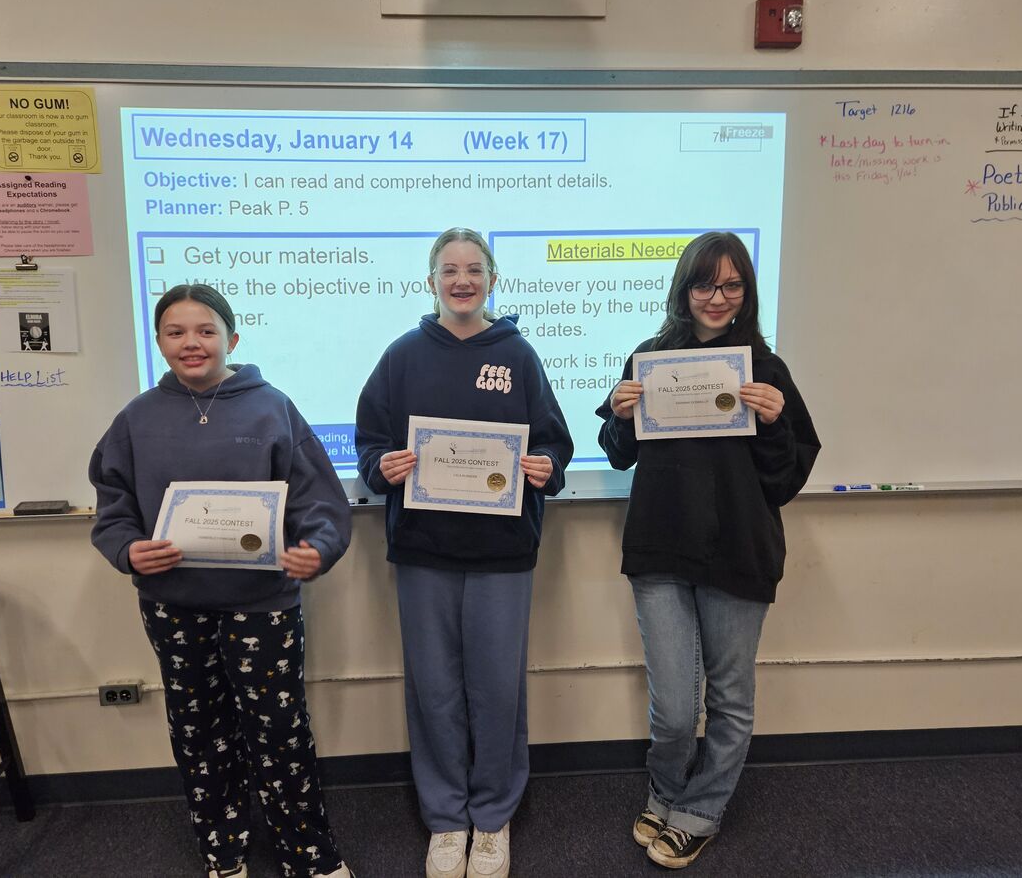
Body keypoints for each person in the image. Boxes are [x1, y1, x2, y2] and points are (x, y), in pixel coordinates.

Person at [89, 284, 355, 878]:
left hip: (262, 604)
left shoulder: (272, 407)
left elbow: (319, 500)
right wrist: (127, 549)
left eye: (206, 331)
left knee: (280, 730)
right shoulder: (135, 418)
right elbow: (113, 505)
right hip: (173, 604)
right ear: (159, 342)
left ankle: (308, 854)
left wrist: (318, 548)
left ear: (231, 339)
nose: (192, 342)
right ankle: (223, 848)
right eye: (176, 332)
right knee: (198, 730)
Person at [596, 232, 820, 870]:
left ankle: (701, 809)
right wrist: (620, 416)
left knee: (729, 699)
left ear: (746, 291)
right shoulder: (650, 357)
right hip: (660, 551)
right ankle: (665, 791)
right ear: (684, 289)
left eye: (731, 285)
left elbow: (785, 480)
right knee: (672, 708)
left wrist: (773, 424)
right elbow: (618, 454)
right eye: (704, 284)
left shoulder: (765, 370)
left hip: (738, 552)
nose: (717, 298)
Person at [355, 228, 573, 878]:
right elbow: (369, 443)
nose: (461, 280)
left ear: (491, 279)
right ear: (430, 282)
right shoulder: (401, 356)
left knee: (497, 689)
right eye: (448, 270)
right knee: (435, 689)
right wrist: (381, 466)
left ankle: (493, 815)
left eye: (473, 269)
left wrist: (546, 466)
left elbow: (554, 443)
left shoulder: (519, 355)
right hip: (424, 550)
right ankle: (447, 819)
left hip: (502, 552)